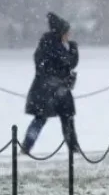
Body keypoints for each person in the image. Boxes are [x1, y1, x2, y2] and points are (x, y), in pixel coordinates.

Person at [21, 12, 80, 154]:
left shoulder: (49, 45)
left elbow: (67, 63)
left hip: (49, 89)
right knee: (56, 119)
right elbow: (67, 63)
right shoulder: (53, 46)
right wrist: (72, 50)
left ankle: (27, 146)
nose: (69, 35)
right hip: (51, 90)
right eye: (67, 32)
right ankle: (73, 148)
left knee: (49, 119)